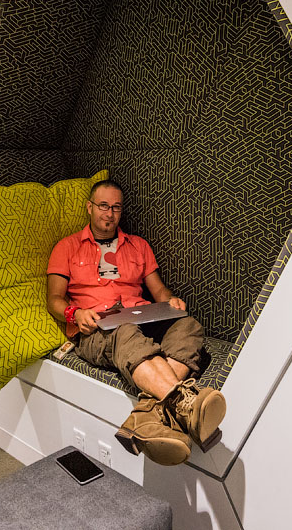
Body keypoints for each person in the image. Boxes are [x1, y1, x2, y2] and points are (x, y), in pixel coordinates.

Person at [46, 180, 226, 466]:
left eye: (116, 207)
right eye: (103, 206)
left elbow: (159, 290)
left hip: (141, 317)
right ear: (89, 207)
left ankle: (147, 416)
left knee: (189, 325)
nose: (110, 213)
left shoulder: (138, 246)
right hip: (96, 329)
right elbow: (54, 300)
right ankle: (184, 404)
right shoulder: (67, 247)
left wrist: (171, 301)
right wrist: (75, 313)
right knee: (125, 330)